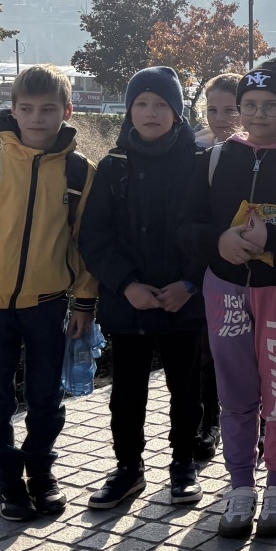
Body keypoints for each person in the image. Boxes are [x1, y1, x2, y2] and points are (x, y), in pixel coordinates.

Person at [178, 55, 276, 540]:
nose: (259, 114)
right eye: (249, 104)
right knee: (235, 395)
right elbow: (186, 226)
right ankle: (240, 485)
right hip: (225, 291)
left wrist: (275, 241)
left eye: (271, 105)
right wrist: (217, 243)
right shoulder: (214, 159)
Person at [0, 65, 97, 521]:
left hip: (49, 307)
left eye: (48, 109)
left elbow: (87, 243)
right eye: (26, 109)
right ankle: (6, 480)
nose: (36, 118)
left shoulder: (79, 172)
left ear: (67, 111)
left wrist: (85, 302)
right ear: (12, 110)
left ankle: (41, 473)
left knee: (46, 397)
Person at [78, 66, 209, 511]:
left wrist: (190, 283)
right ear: (129, 110)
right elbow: (94, 237)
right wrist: (126, 284)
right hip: (128, 304)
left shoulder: (200, 164)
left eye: (161, 104)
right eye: (141, 104)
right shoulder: (113, 167)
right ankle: (128, 468)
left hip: (183, 302)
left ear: (177, 112)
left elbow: (211, 232)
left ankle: (183, 465)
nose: (150, 113)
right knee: (126, 393)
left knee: (185, 389)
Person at [193, 70, 242, 461]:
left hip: (252, 274)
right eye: (213, 110)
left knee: (251, 353)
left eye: (230, 110)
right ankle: (209, 421)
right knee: (208, 353)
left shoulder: (265, 155)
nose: (220, 119)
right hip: (206, 269)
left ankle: (259, 423)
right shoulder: (196, 153)